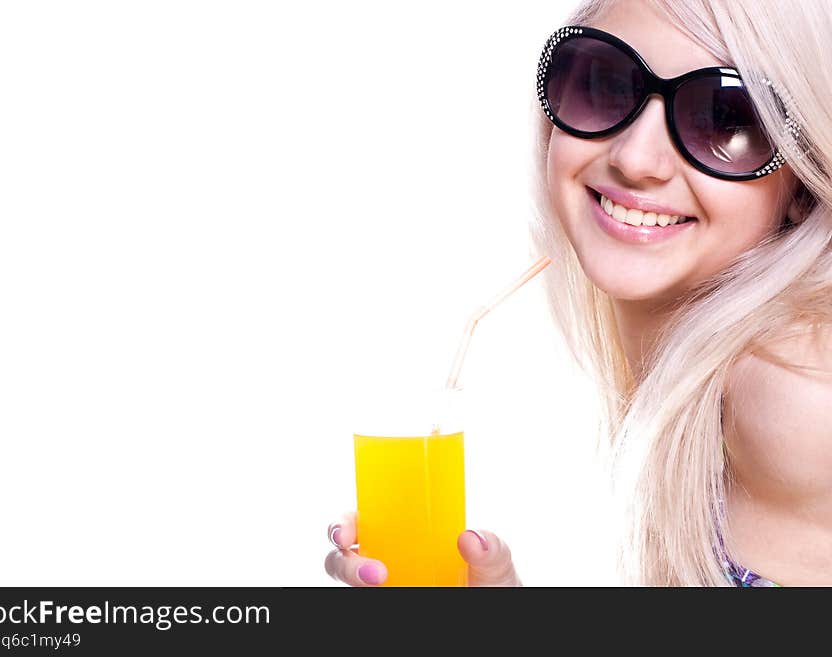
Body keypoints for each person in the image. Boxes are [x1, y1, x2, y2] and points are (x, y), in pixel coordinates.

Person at [325, 0, 832, 586]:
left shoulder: (792, 392)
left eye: (726, 118)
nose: (635, 159)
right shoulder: (727, 374)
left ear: (806, 178)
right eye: (606, 84)